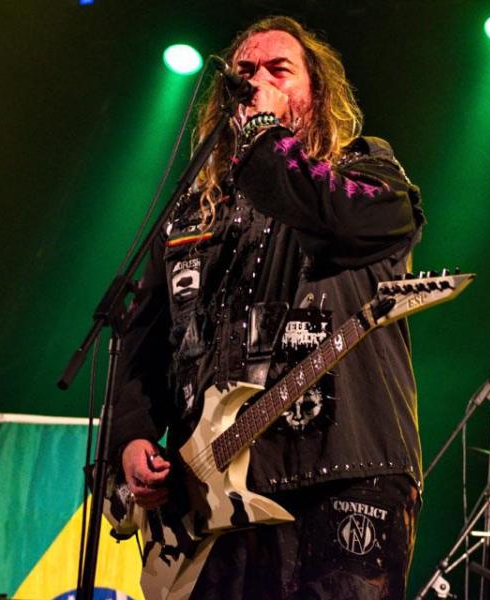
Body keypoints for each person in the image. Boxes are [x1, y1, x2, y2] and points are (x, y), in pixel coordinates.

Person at [110, 15, 425, 600]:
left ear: (318, 93)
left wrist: (263, 131)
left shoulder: (365, 172)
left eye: (280, 70)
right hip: (207, 498)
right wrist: (131, 439)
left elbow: (324, 211)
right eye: (245, 72)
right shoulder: (190, 214)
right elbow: (142, 344)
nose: (257, 81)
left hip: (341, 476)